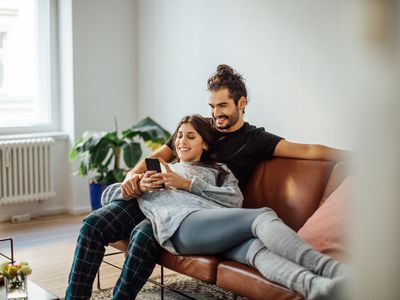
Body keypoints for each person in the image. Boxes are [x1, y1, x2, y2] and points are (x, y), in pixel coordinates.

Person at [65, 65, 353, 299]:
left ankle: (319, 286)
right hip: (159, 199)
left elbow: (309, 151)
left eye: (223, 106)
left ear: (242, 103)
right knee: (94, 225)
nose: (216, 114)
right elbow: (161, 154)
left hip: (201, 211)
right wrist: (133, 176)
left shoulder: (254, 140)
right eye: (212, 106)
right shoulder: (199, 128)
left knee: (251, 248)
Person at [130, 114, 349, 300]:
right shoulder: (164, 169)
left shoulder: (220, 170)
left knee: (256, 250)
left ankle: (316, 288)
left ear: (204, 143)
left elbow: (234, 200)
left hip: (216, 228)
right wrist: (138, 183)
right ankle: (331, 269)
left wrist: (188, 185)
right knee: (261, 216)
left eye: (190, 136)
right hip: (181, 226)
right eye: (178, 136)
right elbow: (116, 192)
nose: (181, 141)